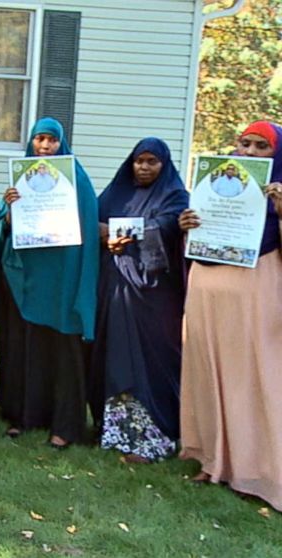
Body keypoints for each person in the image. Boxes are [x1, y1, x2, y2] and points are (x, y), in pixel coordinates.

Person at [179, 120, 282, 510]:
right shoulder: (214, 186)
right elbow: (195, 237)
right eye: (245, 145)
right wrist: (186, 226)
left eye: (262, 147)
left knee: (251, 376)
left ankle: (255, 469)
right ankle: (212, 459)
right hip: (206, 289)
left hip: (255, 295)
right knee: (207, 371)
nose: (251, 154)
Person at [0, 117, 99, 449]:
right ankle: (23, 416)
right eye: (39, 140)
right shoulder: (21, 179)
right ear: (31, 143)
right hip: (27, 278)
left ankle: (64, 425)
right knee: (26, 347)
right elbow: (0, 228)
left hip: (61, 278)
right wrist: (7, 214)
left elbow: (88, 230)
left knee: (61, 350)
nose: (45, 146)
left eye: (51, 140)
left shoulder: (75, 178)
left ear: (61, 143)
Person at [90, 137, 188, 463]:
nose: (143, 168)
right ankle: (114, 433)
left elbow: (167, 227)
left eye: (151, 162)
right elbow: (91, 221)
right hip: (115, 288)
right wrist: (104, 234)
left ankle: (154, 440)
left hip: (155, 296)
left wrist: (124, 234)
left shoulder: (174, 195)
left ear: (164, 165)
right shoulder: (117, 192)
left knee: (153, 363)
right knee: (115, 357)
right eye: (138, 161)